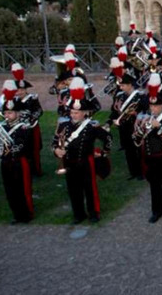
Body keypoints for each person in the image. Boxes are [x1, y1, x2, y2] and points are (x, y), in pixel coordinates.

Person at [52, 83, 113, 224]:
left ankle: (94, 213)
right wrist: (56, 150)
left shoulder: (92, 126)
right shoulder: (63, 125)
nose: (73, 115)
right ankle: (78, 214)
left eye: (77, 113)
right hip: (69, 162)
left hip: (85, 161)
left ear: (85, 112)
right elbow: (54, 142)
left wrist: (104, 152)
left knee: (90, 189)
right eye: (72, 112)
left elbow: (108, 138)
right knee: (73, 190)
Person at [0, 86, 34, 224]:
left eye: (10, 113)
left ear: (18, 113)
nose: (7, 116)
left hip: (19, 162)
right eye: (5, 113)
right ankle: (16, 214)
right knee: (10, 190)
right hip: (5, 163)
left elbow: (18, 146)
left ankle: (27, 214)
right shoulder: (2, 127)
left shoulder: (24, 127)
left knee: (22, 189)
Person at [134, 90, 162, 222]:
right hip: (150, 157)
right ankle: (156, 211)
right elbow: (138, 138)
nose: (153, 108)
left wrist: (159, 127)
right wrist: (139, 130)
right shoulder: (146, 118)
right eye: (151, 106)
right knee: (154, 185)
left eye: (156, 106)